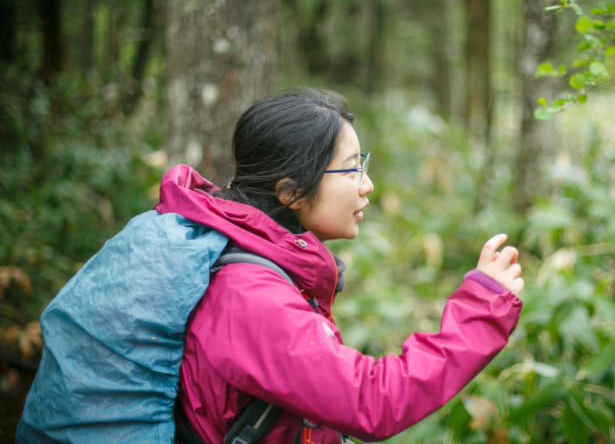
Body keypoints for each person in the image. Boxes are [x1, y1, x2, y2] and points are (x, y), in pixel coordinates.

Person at [16, 87, 523, 444]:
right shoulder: (248, 295)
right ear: (290, 190)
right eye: (351, 169)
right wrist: (483, 306)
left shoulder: (246, 257)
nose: (366, 185)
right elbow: (373, 402)